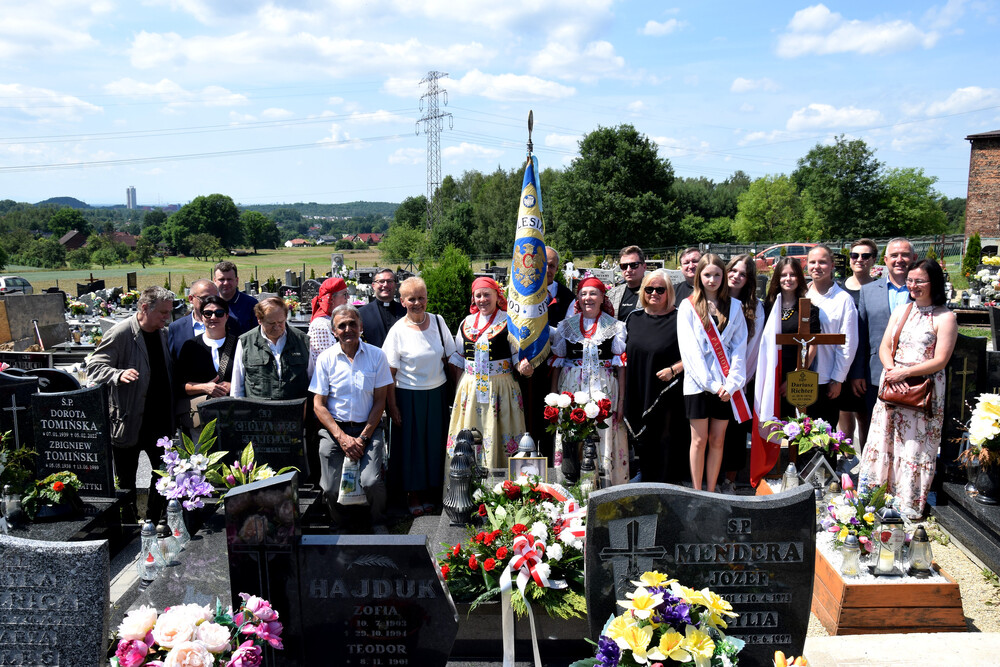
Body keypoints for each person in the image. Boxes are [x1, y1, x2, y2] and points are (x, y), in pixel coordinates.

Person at [859, 259, 957, 519]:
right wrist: (893, 371)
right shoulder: (902, 311)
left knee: (914, 446)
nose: (913, 286)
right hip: (893, 384)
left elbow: (940, 360)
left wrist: (907, 372)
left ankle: (907, 505)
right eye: (910, 281)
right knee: (885, 441)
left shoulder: (945, 317)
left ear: (933, 282)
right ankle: (875, 499)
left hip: (923, 388)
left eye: (919, 281)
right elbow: (883, 347)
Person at [87, 286, 175, 521]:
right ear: (145, 308)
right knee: (126, 479)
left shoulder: (163, 334)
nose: (167, 318)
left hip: (160, 419)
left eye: (169, 312)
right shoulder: (122, 333)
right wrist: (118, 374)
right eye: (163, 313)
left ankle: (154, 518)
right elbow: (94, 367)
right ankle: (128, 523)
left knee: (163, 473)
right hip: (128, 418)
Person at [310, 305, 393, 526]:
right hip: (335, 430)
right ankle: (342, 524)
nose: (348, 329)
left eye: (352, 324)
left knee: (371, 482)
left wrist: (363, 437)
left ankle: (377, 522)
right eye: (341, 326)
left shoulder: (377, 356)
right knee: (329, 487)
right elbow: (319, 405)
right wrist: (342, 438)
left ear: (361, 326)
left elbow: (379, 401)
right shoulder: (326, 359)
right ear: (334, 331)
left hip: (369, 428)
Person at [382, 277, 458, 515]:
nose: (417, 303)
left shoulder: (438, 321)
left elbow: (451, 359)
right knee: (412, 448)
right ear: (402, 301)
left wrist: (456, 394)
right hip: (408, 396)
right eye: (411, 299)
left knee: (434, 445)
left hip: (436, 394)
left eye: (421, 297)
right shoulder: (397, 331)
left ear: (427, 298)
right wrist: (392, 407)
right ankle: (413, 495)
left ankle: (432, 493)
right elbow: (389, 373)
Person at [678, 254, 748, 492]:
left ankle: (711, 490)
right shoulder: (688, 306)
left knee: (718, 440)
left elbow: (740, 348)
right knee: (699, 440)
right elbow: (689, 351)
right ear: (699, 276)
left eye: (717, 274)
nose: (712, 279)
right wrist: (710, 384)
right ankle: (697, 491)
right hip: (699, 385)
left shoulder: (736, 308)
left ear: (724, 276)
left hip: (726, 385)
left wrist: (732, 383)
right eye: (707, 274)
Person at [550, 276, 627, 484]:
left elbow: (621, 367)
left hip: (604, 387)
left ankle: (603, 483)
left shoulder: (615, 327)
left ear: (603, 297)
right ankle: (571, 481)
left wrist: (621, 402)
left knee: (602, 434)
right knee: (572, 432)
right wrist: (554, 399)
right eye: (583, 294)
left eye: (593, 293)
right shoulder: (566, 326)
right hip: (571, 387)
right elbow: (558, 362)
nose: (588, 298)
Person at [446, 276, 528, 472]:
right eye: (478, 295)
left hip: (501, 389)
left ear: (497, 296)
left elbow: (516, 356)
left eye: (487, 295)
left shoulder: (508, 321)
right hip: (471, 389)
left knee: (501, 432)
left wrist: (523, 366)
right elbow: (459, 359)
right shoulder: (466, 323)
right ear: (473, 298)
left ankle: (502, 484)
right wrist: (459, 393)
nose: (482, 299)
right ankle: (465, 480)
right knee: (470, 432)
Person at [623, 269, 684, 484]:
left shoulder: (680, 318)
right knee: (641, 436)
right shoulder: (634, 317)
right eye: (649, 289)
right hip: (638, 384)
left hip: (667, 388)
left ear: (669, 292)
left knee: (665, 437)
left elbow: (695, 355)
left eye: (660, 289)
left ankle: (667, 485)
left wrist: (674, 369)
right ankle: (645, 478)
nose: (654, 293)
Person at [850, 238, 916, 420]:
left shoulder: (922, 291)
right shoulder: (868, 291)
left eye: (905, 255)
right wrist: (857, 374)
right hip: (875, 374)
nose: (899, 260)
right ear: (885, 260)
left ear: (914, 258)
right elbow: (861, 335)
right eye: (894, 255)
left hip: (914, 374)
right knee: (877, 431)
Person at [518, 246, 573, 461]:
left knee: (551, 419)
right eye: (543, 264)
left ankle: (551, 464)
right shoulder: (523, 292)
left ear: (557, 268)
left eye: (551, 266)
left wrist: (543, 331)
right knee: (529, 419)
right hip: (529, 368)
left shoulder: (567, 297)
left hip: (555, 368)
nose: (547, 270)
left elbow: (570, 331)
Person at [721, 254, 764, 493]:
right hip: (713, 383)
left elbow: (754, 349)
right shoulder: (714, 301)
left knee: (735, 435)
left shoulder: (756, 308)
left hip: (739, 384)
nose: (736, 276)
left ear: (749, 280)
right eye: (733, 271)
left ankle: (730, 479)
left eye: (743, 273)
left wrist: (738, 381)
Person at [805, 245, 858, 429]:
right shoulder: (800, 294)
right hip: (799, 379)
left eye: (822, 262)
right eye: (812, 262)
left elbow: (848, 343)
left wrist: (837, 379)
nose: (816, 266)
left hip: (826, 378)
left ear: (832, 265)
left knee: (824, 436)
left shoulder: (843, 300)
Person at [175, 296, 238, 439]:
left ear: (227, 316)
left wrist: (232, 385)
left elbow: (252, 379)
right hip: (200, 421)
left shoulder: (239, 344)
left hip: (234, 418)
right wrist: (205, 387)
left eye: (219, 313)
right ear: (202, 317)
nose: (213, 317)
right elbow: (180, 386)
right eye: (207, 313)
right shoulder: (190, 346)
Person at [230, 297, 312, 399]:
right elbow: (237, 386)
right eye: (271, 323)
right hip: (259, 410)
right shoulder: (245, 342)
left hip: (295, 409)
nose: (276, 327)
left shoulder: (302, 340)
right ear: (259, 320)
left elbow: (312, 378)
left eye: (280, 322)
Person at [838, 239, 878, 447]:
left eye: (865, 256)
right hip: (843, 357)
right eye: (855, 255)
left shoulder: (879, 289)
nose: (859, 260)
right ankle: (846, 460)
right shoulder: (838, 288)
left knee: (865, 415)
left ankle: (866, 465)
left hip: (866, 360)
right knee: (844, 414)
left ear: (874, 260)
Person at [167, 279, 219, 361]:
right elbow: (172, 362)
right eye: (205, 298)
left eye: (214, 298)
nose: (210, 302)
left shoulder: (229, 324)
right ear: (191, 299)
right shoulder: (176, 328)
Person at [308, 277, 349, 365]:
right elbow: (322, 361)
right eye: (344, 294)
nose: (348, 297)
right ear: (332, 299)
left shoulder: (332, 317)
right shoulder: (320, 325)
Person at [360, 269, 406, 348]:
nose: (385, 285)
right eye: (381, 281)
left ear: (395, 285)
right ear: (373, 286)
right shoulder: (361, 313)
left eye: (389, 281)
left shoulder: (405, 311)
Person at [214, 261, 258, 337]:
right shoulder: (210, 304)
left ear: (236, 280)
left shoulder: (251, 304)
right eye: (221, 279)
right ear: (214, 281)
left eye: (229, 279)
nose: (225, 283)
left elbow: (257, 333)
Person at [608, 245, 646, 322]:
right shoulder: (612, 294)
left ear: (644, 267)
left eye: (633, 265)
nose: (628, 270)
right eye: (624, 266)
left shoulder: (654, 293)